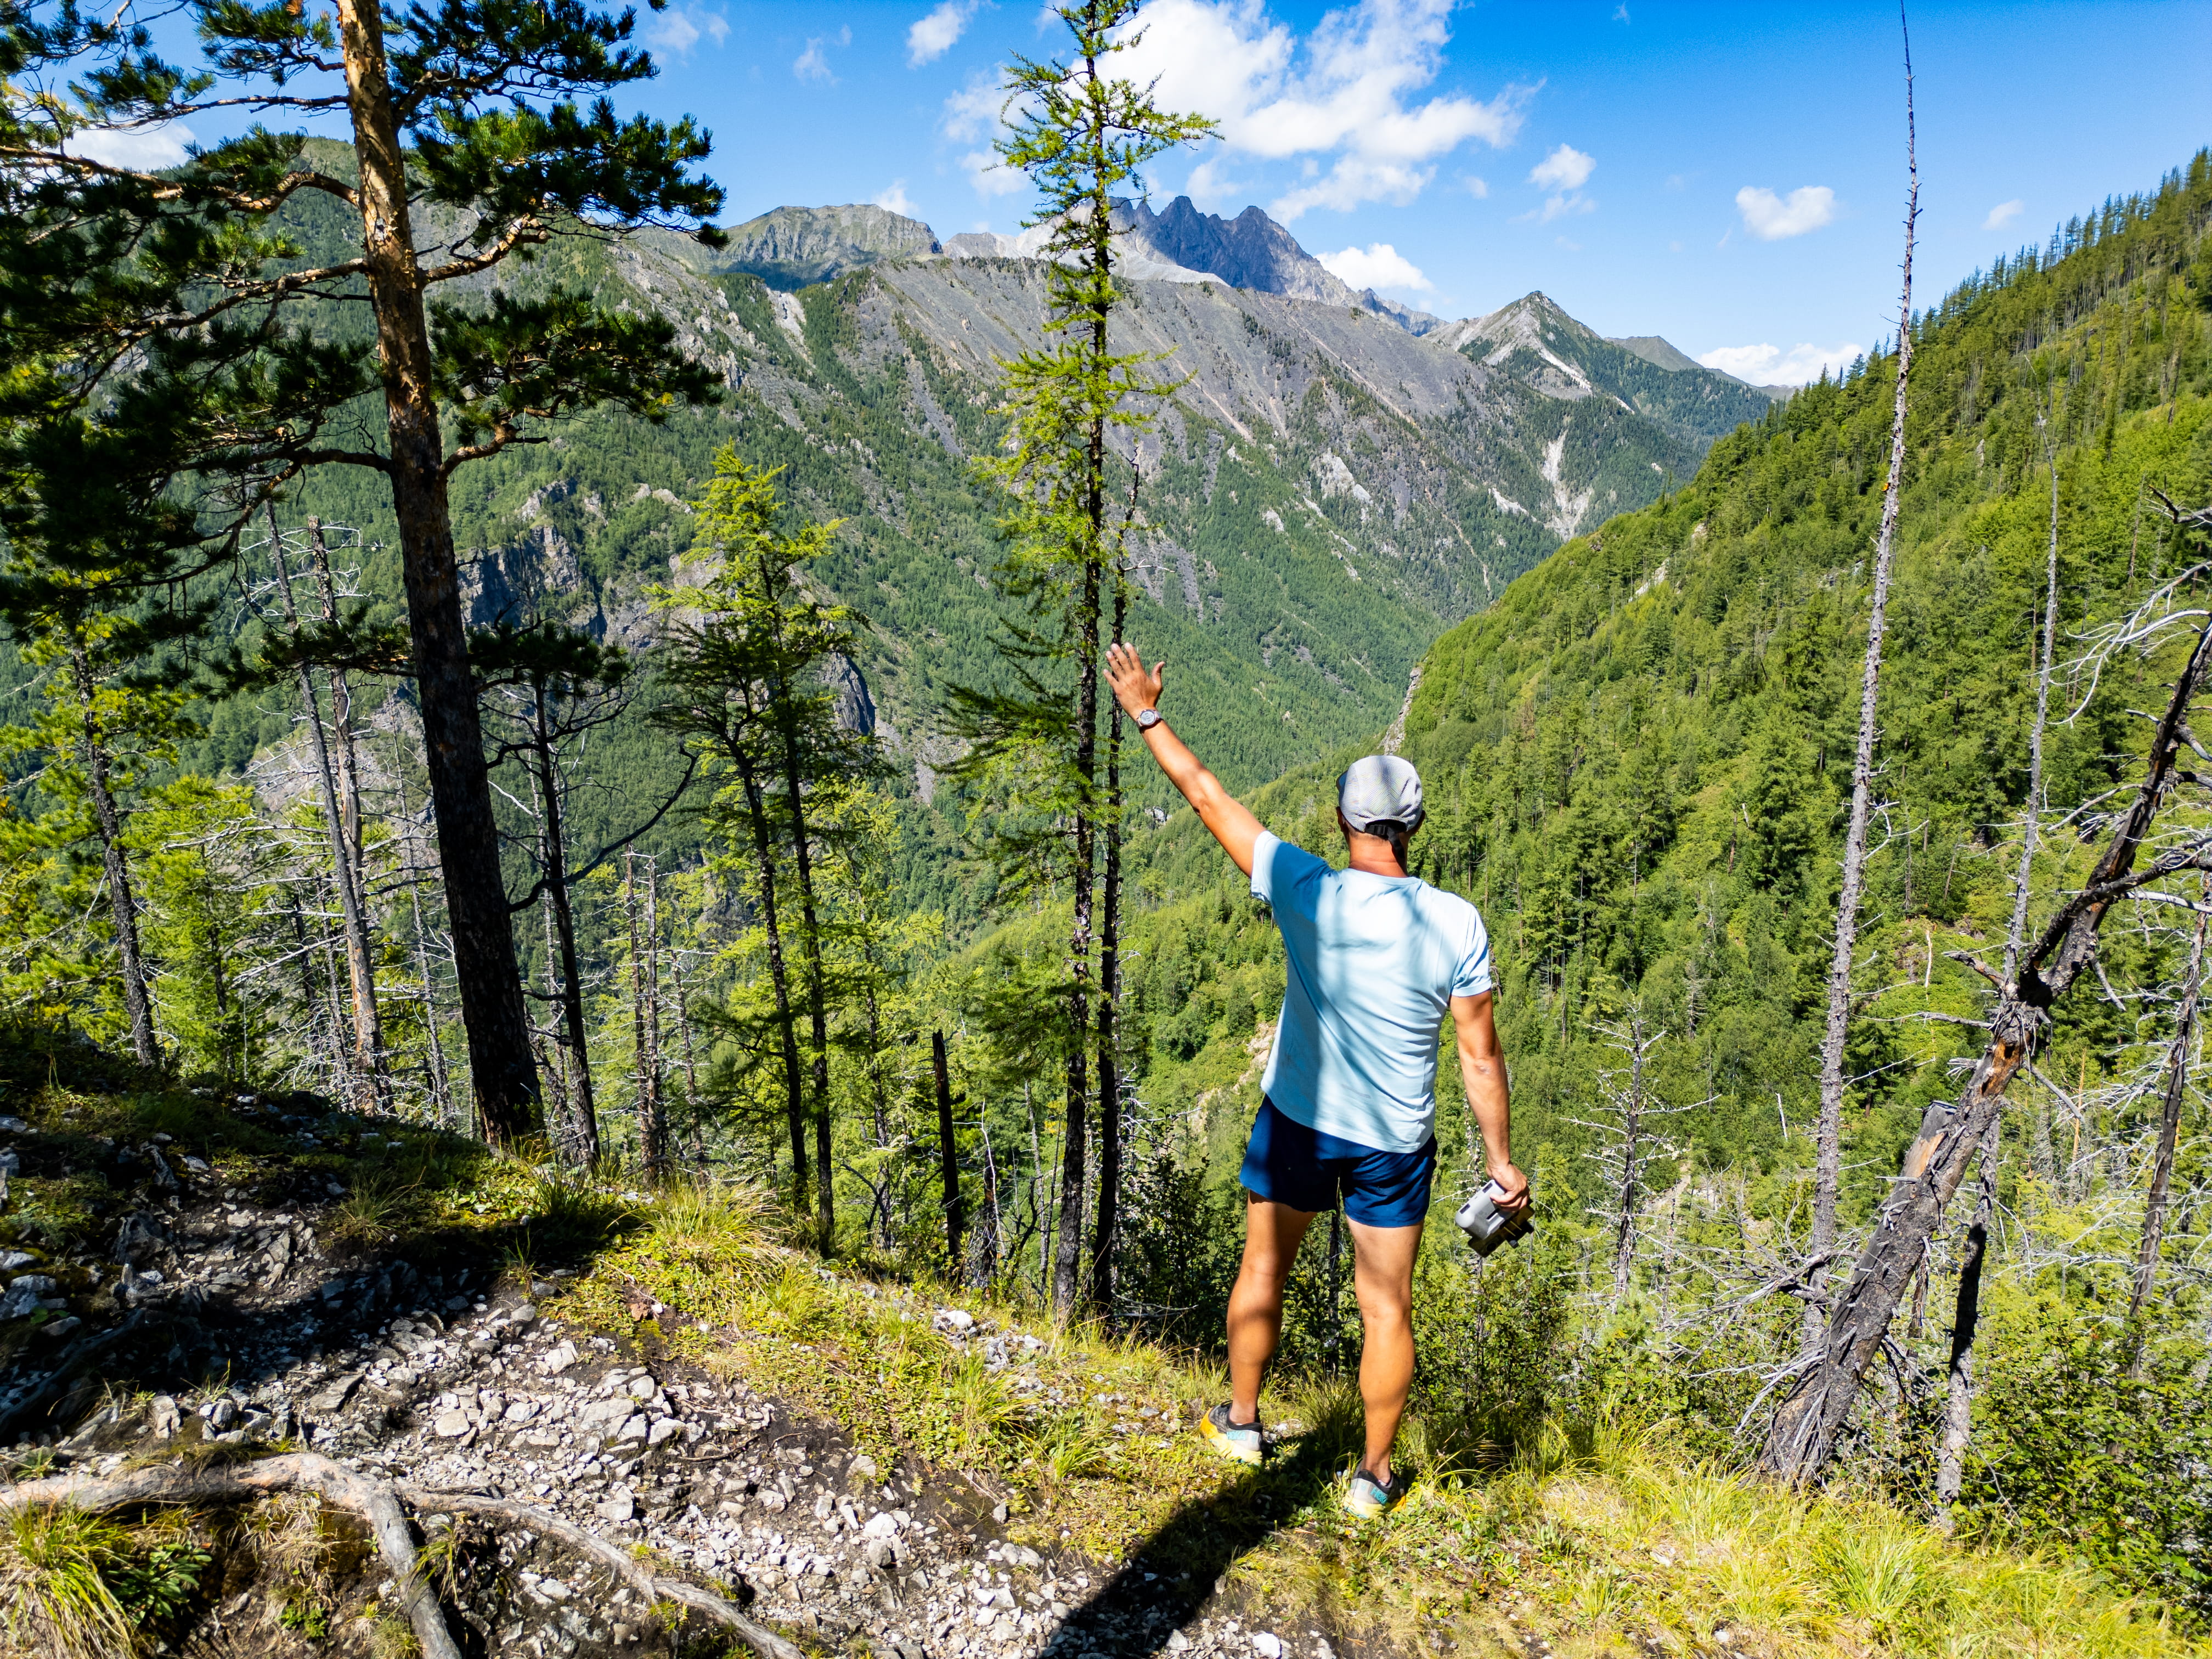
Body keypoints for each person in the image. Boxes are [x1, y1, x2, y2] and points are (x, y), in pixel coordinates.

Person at [1103, 640, 1528, 1519]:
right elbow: (1479, 1055)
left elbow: (1206, 795)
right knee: (1387, 1310)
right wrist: (1502, 1163)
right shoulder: (1457, 923)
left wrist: (1147, 710)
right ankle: (1372, 1479)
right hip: (1394, 1142)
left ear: (1342, 820)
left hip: (1299, 1117)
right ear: (1411, 827)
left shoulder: (1308, 890)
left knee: (1266, 1267)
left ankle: (1244, 1423)